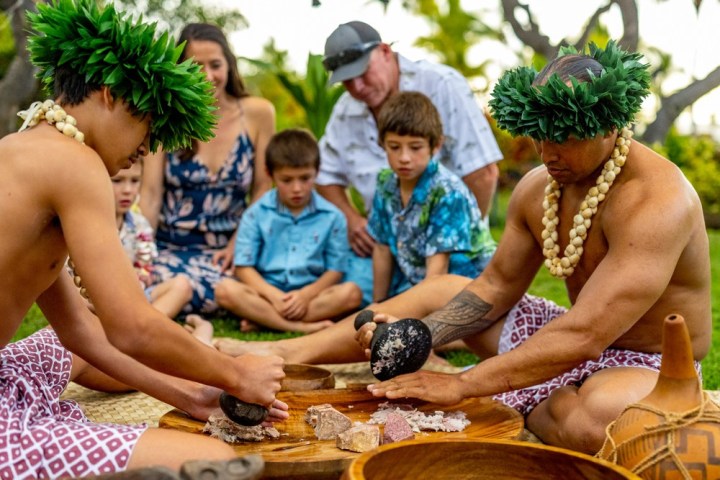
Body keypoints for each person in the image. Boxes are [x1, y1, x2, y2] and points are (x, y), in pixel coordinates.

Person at [215, 41, 712, 455]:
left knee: (592, 421)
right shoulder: (540, 187)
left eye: (564, 138)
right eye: (540, 137)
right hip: (570, 332)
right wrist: (420, 335)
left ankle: (535, 397)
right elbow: (495, 286)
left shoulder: (655, 201)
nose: (547, 154)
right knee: (443, 288)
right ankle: (286, 352)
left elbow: (585, 336)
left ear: (609, 125)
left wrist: (464, 385)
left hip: (641, 360)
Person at [0, 1, 287, 477]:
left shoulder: (24, 147)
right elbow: (131, 326)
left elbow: (82, 331)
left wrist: (188, 392)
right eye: (148, 126)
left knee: (65, 346)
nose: (145, 150)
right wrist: (238, 373)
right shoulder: (77, 163)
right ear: (110, 93)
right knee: (217, 461)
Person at [317, 20, 503, 304]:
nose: (356, 87)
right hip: (389, 245)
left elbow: (483, 173)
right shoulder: (346, 109)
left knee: (427, 309)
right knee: (340, 294)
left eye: (362, 72)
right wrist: (352, 219)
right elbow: (324, 175)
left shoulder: (441, 84)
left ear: (384, 52)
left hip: (451, 245)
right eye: (345, 80)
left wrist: (457, 236)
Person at [140, 22, 275, 315]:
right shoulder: (163, 117)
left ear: (229, 64)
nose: (207, 76)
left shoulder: (258, 114)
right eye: (194, 66)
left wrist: (240, 246)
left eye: (215, 65)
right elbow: (150, 196)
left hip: (231, 253)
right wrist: (142, 256)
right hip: (171, 249)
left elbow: (264, 188)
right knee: (150, 280)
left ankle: (177, 298)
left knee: (260, 280)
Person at [215, 129, 362, 333]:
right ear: (270, 174)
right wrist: (274, 296)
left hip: (311, 295)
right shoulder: (256, 213)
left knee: (351, 293)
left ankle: (264, 321)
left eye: (305, 178)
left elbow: (336, 269)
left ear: (317, 172)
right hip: (267, 294)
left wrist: (306, 295)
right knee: (225, 291)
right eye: (287, 180)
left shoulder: (333, 216)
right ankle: (298, 326)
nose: (297, 188)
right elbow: (243, 267)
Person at [369, 91, 495, 302]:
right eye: (394, 147)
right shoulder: (385, 183)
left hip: (469, 291)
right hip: (416, 285)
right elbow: (382, 248)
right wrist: (376, 306)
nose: (404, 158)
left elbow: (437, 274)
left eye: (415, 147)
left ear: (436, 145)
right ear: (383, 144)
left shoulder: (447, 191)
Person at [112, 161, 193, 319]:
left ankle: (141, 324)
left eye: (135, 181)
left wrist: (144, 276)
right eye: (117, 181)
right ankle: (142, 325)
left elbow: (145, 264)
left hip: (136, 295)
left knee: (182, 286)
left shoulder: (139, 223)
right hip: (98, 298)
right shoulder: (91, 224)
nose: (128, 190)